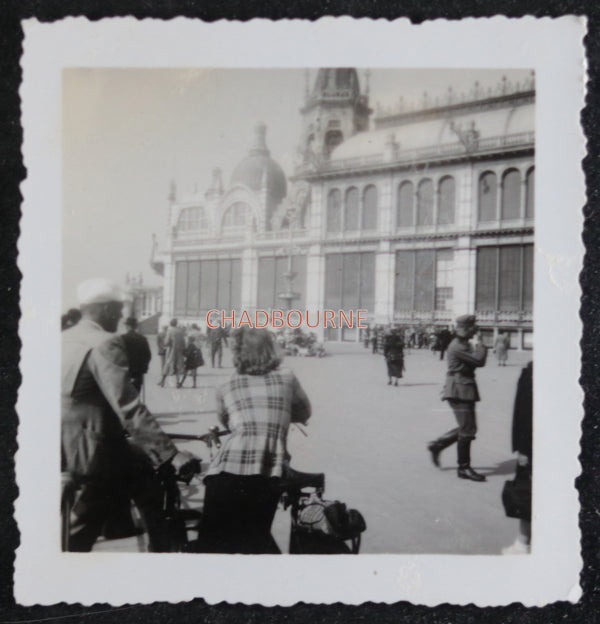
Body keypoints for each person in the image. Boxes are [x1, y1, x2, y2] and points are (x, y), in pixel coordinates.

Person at [61, 278, 197, 551]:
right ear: (109, 309)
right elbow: (128, 407)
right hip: (90, 447)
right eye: (119, 309)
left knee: (129, 481)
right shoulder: (105, 342)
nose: (122, 316)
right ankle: (163, 556)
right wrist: (171, 453)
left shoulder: (65, 338)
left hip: (61, 442)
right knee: (143, 481)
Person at [197, 327, 312, 554]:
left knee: (211, 547)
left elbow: (226, 421)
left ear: (237, 353)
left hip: (224, 472)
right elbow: (304, 412)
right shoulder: (287, 378)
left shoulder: (226, 385)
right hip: (266, 472)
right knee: (254, 542)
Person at [427, 314, 488, 482]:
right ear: (466, 329)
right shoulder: (457, 346)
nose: (475, 331)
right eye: (473, 329)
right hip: (459, 389)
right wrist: (481, 343)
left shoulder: (462, 343)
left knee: (467, 427)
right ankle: (464, 468)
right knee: (468, 429)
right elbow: (479, 361)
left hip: (463, 387)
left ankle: (437, 445)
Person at [502, 360, 533, 554]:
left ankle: (522, 543)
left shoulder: (532, 372)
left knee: (528, 491)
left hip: (534, 444)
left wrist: (522, 449)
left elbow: (523, 411)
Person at [121, 317, 152, 392]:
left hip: (125, 371)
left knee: (124, 394)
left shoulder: (122, 338)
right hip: (138, 371)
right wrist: (144, 369)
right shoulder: (142, 338)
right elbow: (148, 355)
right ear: (136, 326)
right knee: (136, 392)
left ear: (126, 326)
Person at [159, 318, 186, 387]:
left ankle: (162, 381)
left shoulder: (170, 331)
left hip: (172, 350)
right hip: (179, 351)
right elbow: (183, 342)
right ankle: (177, 382)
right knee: (177, 366)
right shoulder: (180, 331)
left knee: (167, 364)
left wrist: (165, 344)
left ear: (170, 324)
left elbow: (166, 342)